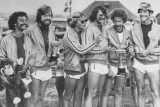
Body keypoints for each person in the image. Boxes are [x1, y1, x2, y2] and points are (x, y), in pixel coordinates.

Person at [63, 11, 101, 107]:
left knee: (79, 95)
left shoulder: (81, 32)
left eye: (85, 21)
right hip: (71, 69)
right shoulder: (69, 34)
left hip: (81, 68)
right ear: (75, 22)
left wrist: (83, 57)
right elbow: (80, 50)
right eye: (82, 21)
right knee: (67, 96)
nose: (85, 23)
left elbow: (81, 51)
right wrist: (94, 43)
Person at [0, 11, 35, 107]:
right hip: (11, 78)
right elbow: (1, 58)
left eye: (26, 20)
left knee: (24, 102)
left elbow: (32, 57)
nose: (25, 22)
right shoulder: (5, 40)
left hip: (25, 76)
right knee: (11, 102)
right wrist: (9, 70)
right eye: (22, 20)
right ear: (14, 23)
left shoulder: (28, 40)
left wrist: (27, 66)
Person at [102, 8, 134, 107]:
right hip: (110, 64)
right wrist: (107, 66)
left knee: (119, 91)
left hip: (122, 65)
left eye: (120, 21)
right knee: (106, 91)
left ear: (124, 21)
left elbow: (130, 50)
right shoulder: (108, 31)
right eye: (115, 21)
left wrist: (128, 67)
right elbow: (104, 50)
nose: (117, 23)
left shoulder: (128, 32)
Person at [25, 5, 55, 107]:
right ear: (39, 16)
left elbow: (53, 47)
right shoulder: (30, 30)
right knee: (34, 97)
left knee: (42, 97)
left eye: (50, 15)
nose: (48, 18)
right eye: (45, 15)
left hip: (47, 67)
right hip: (34, 68)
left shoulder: (51, 29)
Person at [131, 2, 160, 107]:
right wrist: (133, 49)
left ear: (150, 13)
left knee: (155, 92)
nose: (142, 14)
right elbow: (131, 44)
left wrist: (149, 52)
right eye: (140, 12)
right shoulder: (133, 29)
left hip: (153, 62)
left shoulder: (158, 28)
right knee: (141, 90)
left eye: (145, 11)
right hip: (139, 63)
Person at [84, 6, 114, 107]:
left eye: (104, 15)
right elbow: (86, 50)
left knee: (98, 93)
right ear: (94, 15)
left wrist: (108, 65)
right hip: (94, 63)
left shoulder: (104, 28)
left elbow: (105, 48)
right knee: (92, 93)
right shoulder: (89, 28)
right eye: (100, 15)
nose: (103, 17)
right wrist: (103, 50)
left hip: (104, 64)